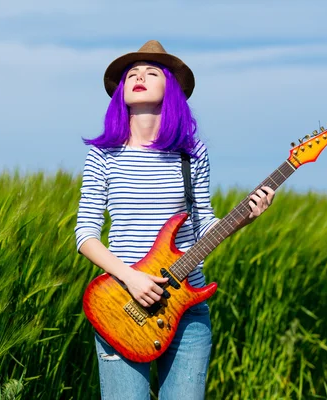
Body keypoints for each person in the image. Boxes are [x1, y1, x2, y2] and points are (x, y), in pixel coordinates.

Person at [75, 40, 275, 400]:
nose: (139, 76)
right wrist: (131, 278)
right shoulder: (102, 155)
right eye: (132, 73)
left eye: (152, 72)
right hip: (121, 305)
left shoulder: (190, 152)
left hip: (186, 311)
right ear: (121, 91)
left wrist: (245, 217)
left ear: (171, 88)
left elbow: (205, 225)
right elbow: (85, 234)